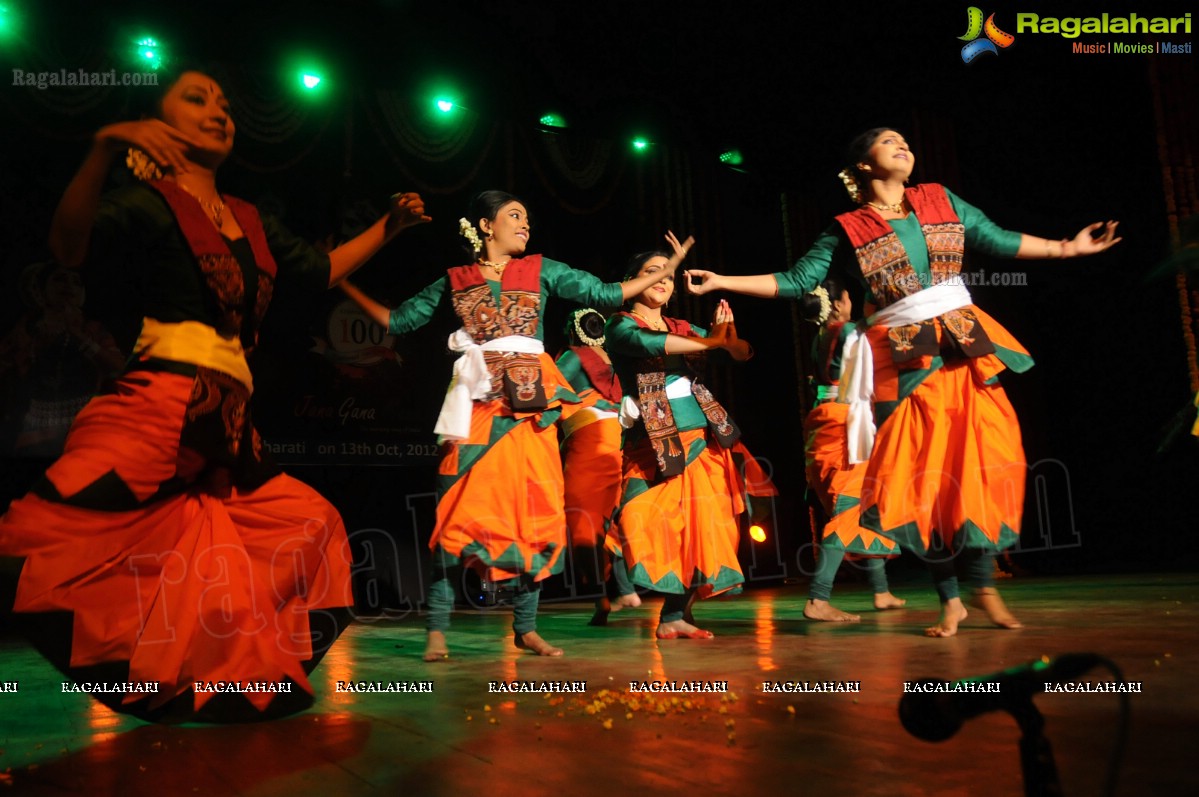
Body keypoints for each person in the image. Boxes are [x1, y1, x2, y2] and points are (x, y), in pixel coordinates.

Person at [0, 68, 430, 721]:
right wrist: (103, 147)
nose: (218, 110)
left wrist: (389, 228)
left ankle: (227, 683)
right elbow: (68, 245)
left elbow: (315, 272)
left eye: (225, 102)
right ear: (159, 124)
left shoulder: (251, 221)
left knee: (309, 527)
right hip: (158, 400)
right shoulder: (146, 202)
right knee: (46, 529)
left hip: (229, 420)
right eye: (196, 99)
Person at [687, 128, 1120, 637]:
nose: (902, 144)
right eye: (886, 141)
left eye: (905, 139)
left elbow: (997, 239)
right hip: (904, 359)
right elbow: (797, 281)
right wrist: (722, 281)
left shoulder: (939, 199)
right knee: (920, 480)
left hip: (963, 343)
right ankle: (952, 598)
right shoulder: (846, 227)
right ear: (863, 167)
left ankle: (982, 584)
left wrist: (1068, 248)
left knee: (989, 461)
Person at [339, 190, 694, 659]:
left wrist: (666, 269)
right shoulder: (456, 279)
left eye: (527, 217)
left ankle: (525, 627)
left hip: (532, 410)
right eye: (514, 216)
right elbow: (397, 320)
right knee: (456, 513)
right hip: (480, 408)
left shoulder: (543, 270)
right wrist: (342, 281)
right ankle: (437, 629)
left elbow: (605, 293)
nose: (525, 224)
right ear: (486, 227)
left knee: (538, 510)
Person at [604, 249, 754, 640]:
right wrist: (710, 343)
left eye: (668, 275)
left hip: (701, 437)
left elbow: (740, 354)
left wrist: (729, 339)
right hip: (649, 442)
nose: (662, 280)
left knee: (700, 529)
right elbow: (655, 345)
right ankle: (642, 597)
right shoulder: (619, 326)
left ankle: (674, 616)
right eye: (652, 272)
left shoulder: (683, 325)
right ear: (633, 281)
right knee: (637, 518)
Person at [799, 278, 905, 622]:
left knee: (863, 501)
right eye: (847, 298)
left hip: (830, 418)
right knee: (850, 509)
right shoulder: (845, 331)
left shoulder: (821, 336)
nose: (851, 304)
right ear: (838, 303)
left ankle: (882, 591)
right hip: (843, 424)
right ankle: (818, 599)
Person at [553, 308, 640, 625]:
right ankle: (624, 589)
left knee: (583, 523)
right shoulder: (614, 361)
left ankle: (601, 598)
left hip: (590, 442)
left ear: (574, 333)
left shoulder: (574, 357)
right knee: (610, 518)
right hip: (618, 440)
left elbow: (548, 387)